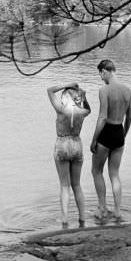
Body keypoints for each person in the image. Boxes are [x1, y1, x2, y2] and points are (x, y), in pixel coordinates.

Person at [90, 60, 131, 224]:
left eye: (100, 75)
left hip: (106, 132)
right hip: (119, 133)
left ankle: (102, 208)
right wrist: (124, 134)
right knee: (114, 174)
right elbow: (129, 117)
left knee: (96, 171)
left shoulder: (104, 90)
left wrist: (94, 139)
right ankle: (117, 211)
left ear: (104, 71)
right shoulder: (128, 91)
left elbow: (102, 117)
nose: (101, 78)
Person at [47, 82, 91, 229]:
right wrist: (83, 94)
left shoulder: (61, 109)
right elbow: (88, 108)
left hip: (63, 143)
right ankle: (82, 218)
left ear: (66, 97)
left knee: (65, 185)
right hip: (77, 143)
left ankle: (64, 220)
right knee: (77, 185)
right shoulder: (83, 112)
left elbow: (50, 90)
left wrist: (68, 84)